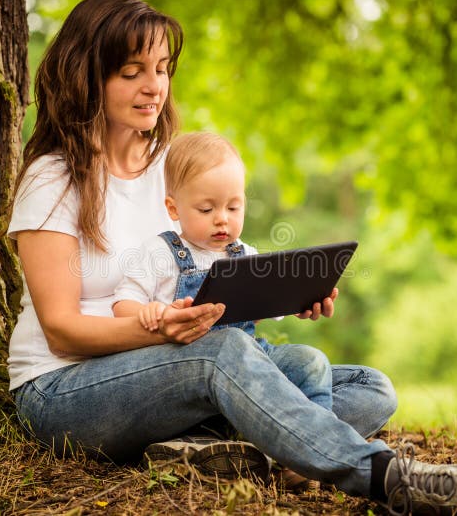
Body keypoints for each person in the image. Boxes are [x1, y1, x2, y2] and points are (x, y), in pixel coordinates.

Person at [6, 0, 457, 515]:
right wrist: (164, 330)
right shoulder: (55, 178)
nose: (153, 87)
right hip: (65, 391)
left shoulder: (170, 171)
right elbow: (61, 328)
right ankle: (384, 478)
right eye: (132, 72)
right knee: (224, 354)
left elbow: (212, 266)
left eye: (160, 69)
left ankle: (203, 449)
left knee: (368, 386)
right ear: (88, 77)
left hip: (177, 371)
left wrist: (288, 294)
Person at [112, 131, 333, 413]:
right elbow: (122, 303)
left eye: (233, 207)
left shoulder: (245, 254)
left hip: (252, 364)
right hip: (190, 371)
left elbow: (271, 301)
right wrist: (149, 312)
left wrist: (301, 301)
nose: (222, 219)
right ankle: (279, 424)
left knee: (311, 362)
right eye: (206, 209)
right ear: (173, 208)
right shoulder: (160, 252)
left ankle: (313, 427)